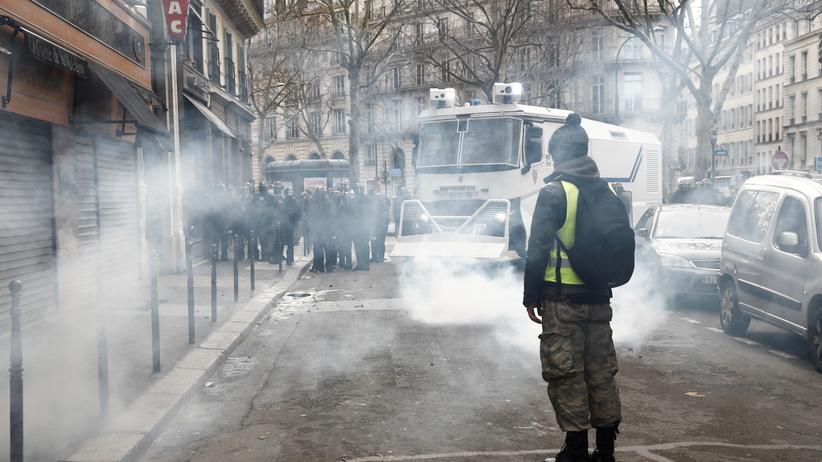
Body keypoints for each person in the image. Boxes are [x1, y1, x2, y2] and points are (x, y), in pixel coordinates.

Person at [522, 113, 621, 462]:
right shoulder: (610, 191)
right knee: (601, 374)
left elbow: (536, 251)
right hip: (600, 300)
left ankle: (575, 449)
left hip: (562, 301)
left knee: (567, 374)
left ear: (557, 155)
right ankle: (605, 451)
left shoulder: (553, 192)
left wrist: (530, 296)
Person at [351, 184, 371, 271]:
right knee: (364, 245)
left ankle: (362, 264)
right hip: (363, 225)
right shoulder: (367, 199)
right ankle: (365, 265)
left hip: (359, 225)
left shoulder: (355, 200)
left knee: (360, 245)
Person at [371, 194, 390, 262]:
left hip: (378, 228)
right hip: (380, 228)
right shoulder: (384, 207)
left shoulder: (378, 207)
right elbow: (387, 219)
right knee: (380, 243)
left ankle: (377, 257)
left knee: (376, 243)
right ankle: (379, 258)